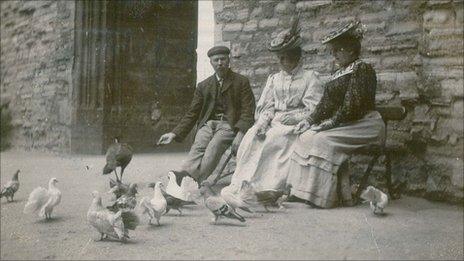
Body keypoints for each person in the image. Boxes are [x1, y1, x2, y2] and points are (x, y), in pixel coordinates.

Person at [288, 20, 386, 208]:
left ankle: (323, 197)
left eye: (338, 49)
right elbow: (326, 103)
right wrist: (309, 120)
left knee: (321, 140)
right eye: (333, 50)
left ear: (351, 50)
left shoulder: (362, 68)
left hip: (366, 124)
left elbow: (354, 105)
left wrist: (332, 122)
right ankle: (304, 193)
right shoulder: (338, 72)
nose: (334, 54)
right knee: (306, 136)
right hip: (347, 123)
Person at [222, 18, 324, 194]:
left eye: (287, 57)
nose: (283, 62)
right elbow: (267, 105)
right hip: (273, 120)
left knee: (274, 139)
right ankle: (243, 184)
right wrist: (262, 123)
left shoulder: (310, 77)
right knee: (252, 136)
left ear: (296, 57)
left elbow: (314, 108)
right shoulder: (274, 79)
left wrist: (296, 117)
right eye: (280, 58)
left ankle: (267, 188)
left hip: (295, 124)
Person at [157, 46, 256, 184]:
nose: (220, 63)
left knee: (214, 147)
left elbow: (248, 110)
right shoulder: (204, 85)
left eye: (223, 59)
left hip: (229, 125)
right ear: (211, 62)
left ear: (229, 60)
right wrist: (174, 133)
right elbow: (192, 113)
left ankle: (190, 181)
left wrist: (240, 134)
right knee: (199, 145)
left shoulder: (241, 82)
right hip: (208, 124)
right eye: (216, 60)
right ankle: (184, 177)